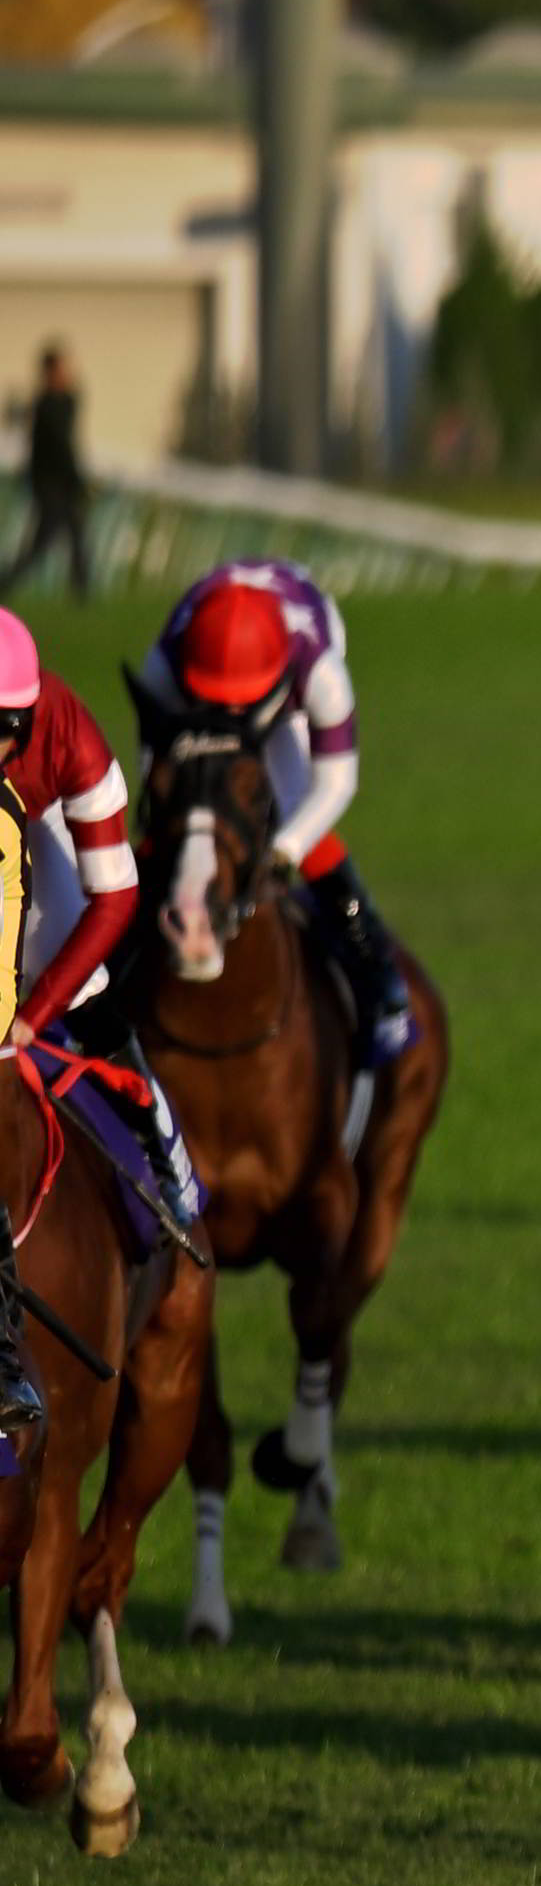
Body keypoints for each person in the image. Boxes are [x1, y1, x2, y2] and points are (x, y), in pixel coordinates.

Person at [125, 555, 409, 1065]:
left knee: (295, 801)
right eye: (220, 698)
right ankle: (109, 972)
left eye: (243, 701)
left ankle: (377, 976)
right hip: (205, 698)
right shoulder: (164, 664)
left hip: (282, 704)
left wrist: (283, 851)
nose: (232, 712)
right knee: (174, 824)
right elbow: (158, 784)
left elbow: (337, 782)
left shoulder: (319, 670)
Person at [0, 609, 147, 1442]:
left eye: (4, 732)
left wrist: (36, 1012)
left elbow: (114, 896)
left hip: (42, 835)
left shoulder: (71, 738)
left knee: (78, 979)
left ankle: (163, 1174)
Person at [9, 347, 85, 595]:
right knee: (43, 542)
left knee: (77, 535)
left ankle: (82, 593)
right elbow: (59, 446)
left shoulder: (64, 402)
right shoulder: (46, 405)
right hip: (49, 485)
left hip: (64, 484)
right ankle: (5, 582)